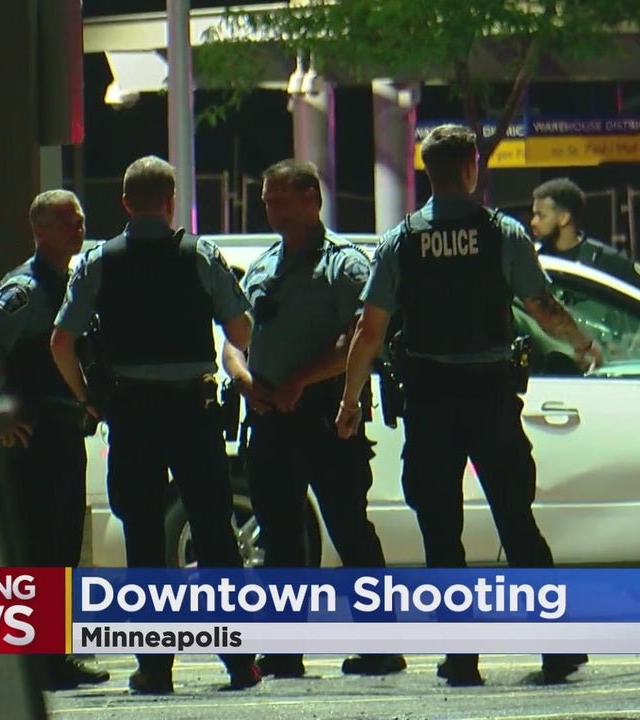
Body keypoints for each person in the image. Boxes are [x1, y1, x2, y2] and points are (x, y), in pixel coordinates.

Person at [334, 124, 601, 687]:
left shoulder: (401, 241)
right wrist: (582, 342)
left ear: (427, 172)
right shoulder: (502, 233)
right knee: (517, 522)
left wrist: (350, 399)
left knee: (440, 531)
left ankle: (460, 658)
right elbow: (541, 305)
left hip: (430, 402)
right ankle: (555, 649)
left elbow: (369, 330)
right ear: (472, 168)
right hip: (490, 398)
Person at [49, 156, 261, 695]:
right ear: (171, 202)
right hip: (192, 412)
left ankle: (155, 667)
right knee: (215, 535)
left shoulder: (99, 262)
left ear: (125, 203)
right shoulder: (200, 256)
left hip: (132, 414)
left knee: (143, 541)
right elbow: (241, 330)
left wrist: (88, 399)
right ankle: (240, 663)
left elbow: (61, 342)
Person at [222, 158, 407, 679]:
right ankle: (284, 651)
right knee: (281, 537)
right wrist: (244, 379)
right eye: (267, 200)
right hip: (270, 419)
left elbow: (361, 341)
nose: (272, 209)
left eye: (281, 199)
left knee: (349, 529)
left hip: (327, 415)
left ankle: (381, 646)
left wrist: (300, 380)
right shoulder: (264, 266)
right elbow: (235, 340)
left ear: (312, 199)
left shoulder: (344, 266)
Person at [0, 189, 110, 691]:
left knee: (61, 547)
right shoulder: (25, 287)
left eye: (80, 221)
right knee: (42, 549)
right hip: (36, 437)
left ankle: (53, 655)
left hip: (64, 432)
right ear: (39, 231)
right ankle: (42, 662)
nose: (78, 230)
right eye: (67, 223)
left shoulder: (68, 281)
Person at [530, 177, 640, 302]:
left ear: (564, 218)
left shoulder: (603, 259)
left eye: (541, 215)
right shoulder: (534, 258)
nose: (533, 222)